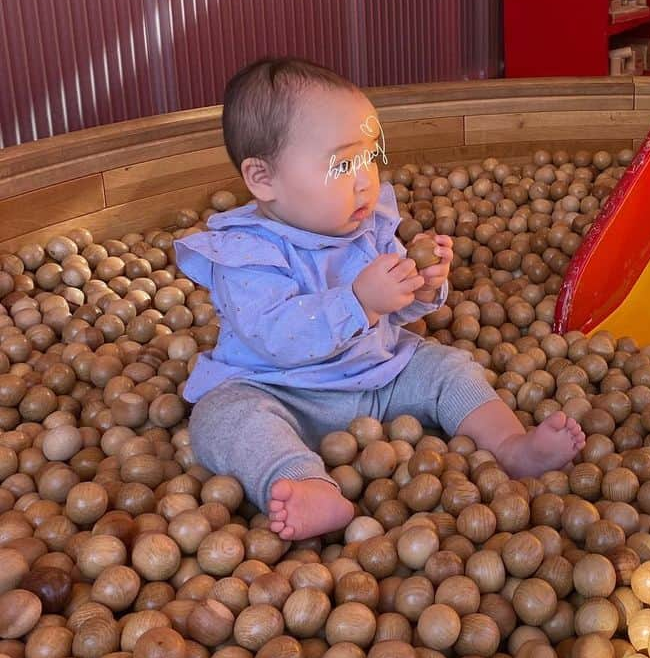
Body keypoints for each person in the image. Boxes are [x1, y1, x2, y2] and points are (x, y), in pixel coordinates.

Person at [175, 58, 586, 542]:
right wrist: (360, 301)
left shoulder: (363, 222)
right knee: (222, 419)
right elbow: (275, 337)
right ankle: (305, 482)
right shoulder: (245, 251)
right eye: (343, 164)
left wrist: (423, 284)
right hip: (281, 391)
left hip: (380, 373)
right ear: (264, 179)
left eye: (370, 155)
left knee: (448, 367)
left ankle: (512, 446)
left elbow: (398, 303)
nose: (367, 179)